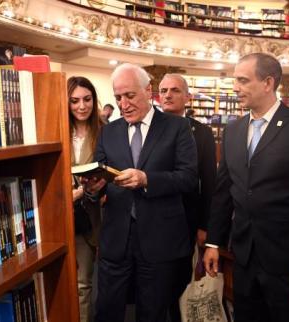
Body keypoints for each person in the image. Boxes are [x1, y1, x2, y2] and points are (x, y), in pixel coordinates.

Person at [203, 53, 289, 322]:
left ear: (268, 83)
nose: (234, 88)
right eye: (234, 80)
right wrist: (214, 242)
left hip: (288, 264)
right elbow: (224, 192)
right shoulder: (233, 130)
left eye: (242, 80)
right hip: (244, 259)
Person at [85, 63, 198, 322]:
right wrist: (93, 188)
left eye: (130, 96)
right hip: (116, 238)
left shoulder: (176, 127)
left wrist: (147, 179)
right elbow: (99, 171)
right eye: (118, 98)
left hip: (160, 239)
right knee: (107, 310)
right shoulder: (108, 132)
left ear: (148, 91)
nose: (123, 104)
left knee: (152, 312)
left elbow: (189, 178)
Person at [159, 74, 217, 322]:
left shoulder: (201, 133)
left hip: (187, 220)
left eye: (174, 90)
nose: (167, 95)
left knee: (181, 281)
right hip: (155, 218)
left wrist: (205, 226)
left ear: (187, 97)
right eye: (162, 91)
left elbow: (210, 182)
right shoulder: (149, 128)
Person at [67, 76, 103, 322]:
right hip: (58, 215)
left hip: (90, 217)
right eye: (75, 100)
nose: (82, 106)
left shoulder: (105, 131)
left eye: (87, 99)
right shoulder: (56, 127)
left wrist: (87, 190)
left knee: (82, 283)